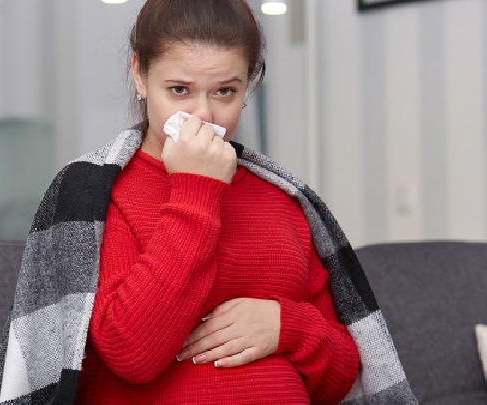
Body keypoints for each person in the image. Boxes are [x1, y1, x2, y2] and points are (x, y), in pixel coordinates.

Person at [73, 0, 360, 403]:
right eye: (179, 90)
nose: (203, 114)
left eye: (225, 91)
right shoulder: (101, 197)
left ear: (249, 85)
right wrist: (196, 190)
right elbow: (131, 353)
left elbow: (342, 376)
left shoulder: (282, 199)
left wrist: (285, 326)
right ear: (139, 74)